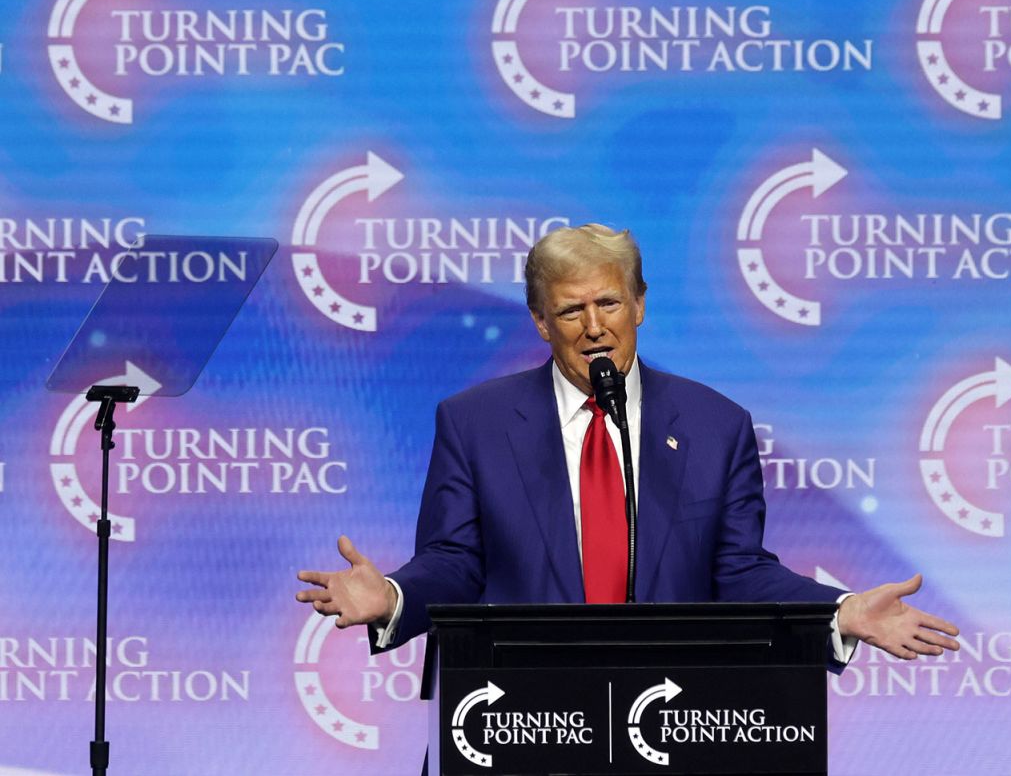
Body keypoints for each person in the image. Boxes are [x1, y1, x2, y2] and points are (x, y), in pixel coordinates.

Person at [296, 224, 959, 663]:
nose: (593, 328)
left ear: (639, 304)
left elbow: (740, 575)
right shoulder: (475, 423)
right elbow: (455, 562)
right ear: (539, 321)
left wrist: (841, 612)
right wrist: (395, 594)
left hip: (675, 721)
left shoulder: (714, 426)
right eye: (569, 311)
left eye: (609, 304)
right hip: (524, 719)